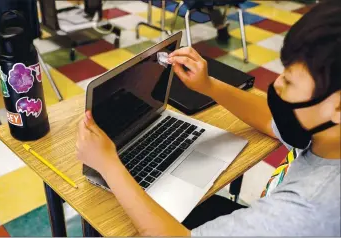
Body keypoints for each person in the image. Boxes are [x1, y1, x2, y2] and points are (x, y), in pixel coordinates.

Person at [76, 0, 340, 236]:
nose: (278, 84)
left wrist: (108, 165)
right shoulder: (327, 134)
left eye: (290, 81)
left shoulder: (307, 210)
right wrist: (208, 86)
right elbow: (272, 120)